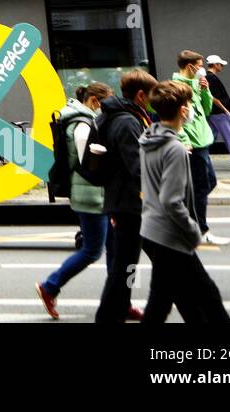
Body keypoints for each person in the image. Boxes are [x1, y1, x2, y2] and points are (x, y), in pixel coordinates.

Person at [139, 81, 230, 324]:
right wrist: (193, 231)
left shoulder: (149, 137)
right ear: (182, 110)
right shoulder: (174, 148)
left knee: (163, 301)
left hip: (152, 230)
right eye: (189, 104)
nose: (191, 108)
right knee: (208, 295)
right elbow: (171, 201)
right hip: (171, 235)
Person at [36, 82, 112, 319]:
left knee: (116, 250)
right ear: (94, 101)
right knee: (92, 251)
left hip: (95, 194)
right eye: (104, 104)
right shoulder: (82, 124)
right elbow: (86, 164)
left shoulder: (82, 119)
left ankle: (121, 297)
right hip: (89, 195)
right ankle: (50, 287)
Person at [95, 69, 156, 323]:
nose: (154, 100)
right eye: (152, 95)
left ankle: (116, 310)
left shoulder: (115, 116)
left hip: (124, 202)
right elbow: (137, 167)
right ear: (141, 95)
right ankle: (111, 314)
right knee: (126, 266)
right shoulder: (128, 122)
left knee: (126, 264)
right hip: (132, 204)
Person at [170, 50, 226, 245]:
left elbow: (207, 109)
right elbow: (179, 120)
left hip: (203, 140)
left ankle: (186, 218)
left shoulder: (197, 83)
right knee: (200, 186)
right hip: (193, 143)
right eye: (199, 65)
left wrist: (205, 90)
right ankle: (200, 229)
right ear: (189, 66)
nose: (202, 69)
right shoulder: (177, 86)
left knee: (208, 182)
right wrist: (185, 140)